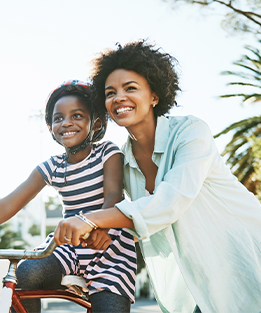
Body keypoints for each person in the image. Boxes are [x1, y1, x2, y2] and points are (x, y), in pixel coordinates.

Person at [53, 41, 261, 313]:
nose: (118, 98)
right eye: (110, 92)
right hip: (198, 277)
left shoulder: (191, 132)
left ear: (154, 95)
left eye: (130, 88)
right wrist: (103, 230)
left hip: (246, 254)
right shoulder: (122, 161)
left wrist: (89, 220)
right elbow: (142, 220)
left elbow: (169, 203)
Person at [0, 80, 137, 313]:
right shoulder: (52, 166)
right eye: (58, 118)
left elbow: (114, 193)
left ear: (96, 123)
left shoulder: (107, 152)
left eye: (77, 115)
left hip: (110, 250)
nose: (66, 122)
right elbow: (8, 204)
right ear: (51, 128)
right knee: (26, 273)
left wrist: (101, 228)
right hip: (69, 248)